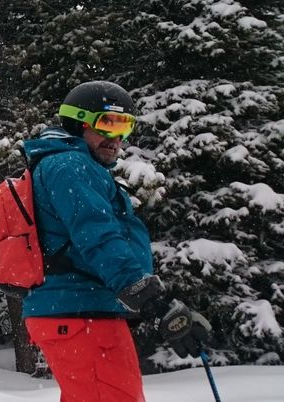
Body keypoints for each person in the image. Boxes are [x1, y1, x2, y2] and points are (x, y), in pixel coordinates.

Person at [21, 81, 212, 402]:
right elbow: (98, 237)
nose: (117, 138)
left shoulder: (70, 164)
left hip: (78, 311)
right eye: (108, 123)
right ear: (79, 121)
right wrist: (152, 300)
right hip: (81, 315)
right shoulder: (71, 166)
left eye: (125, 127)